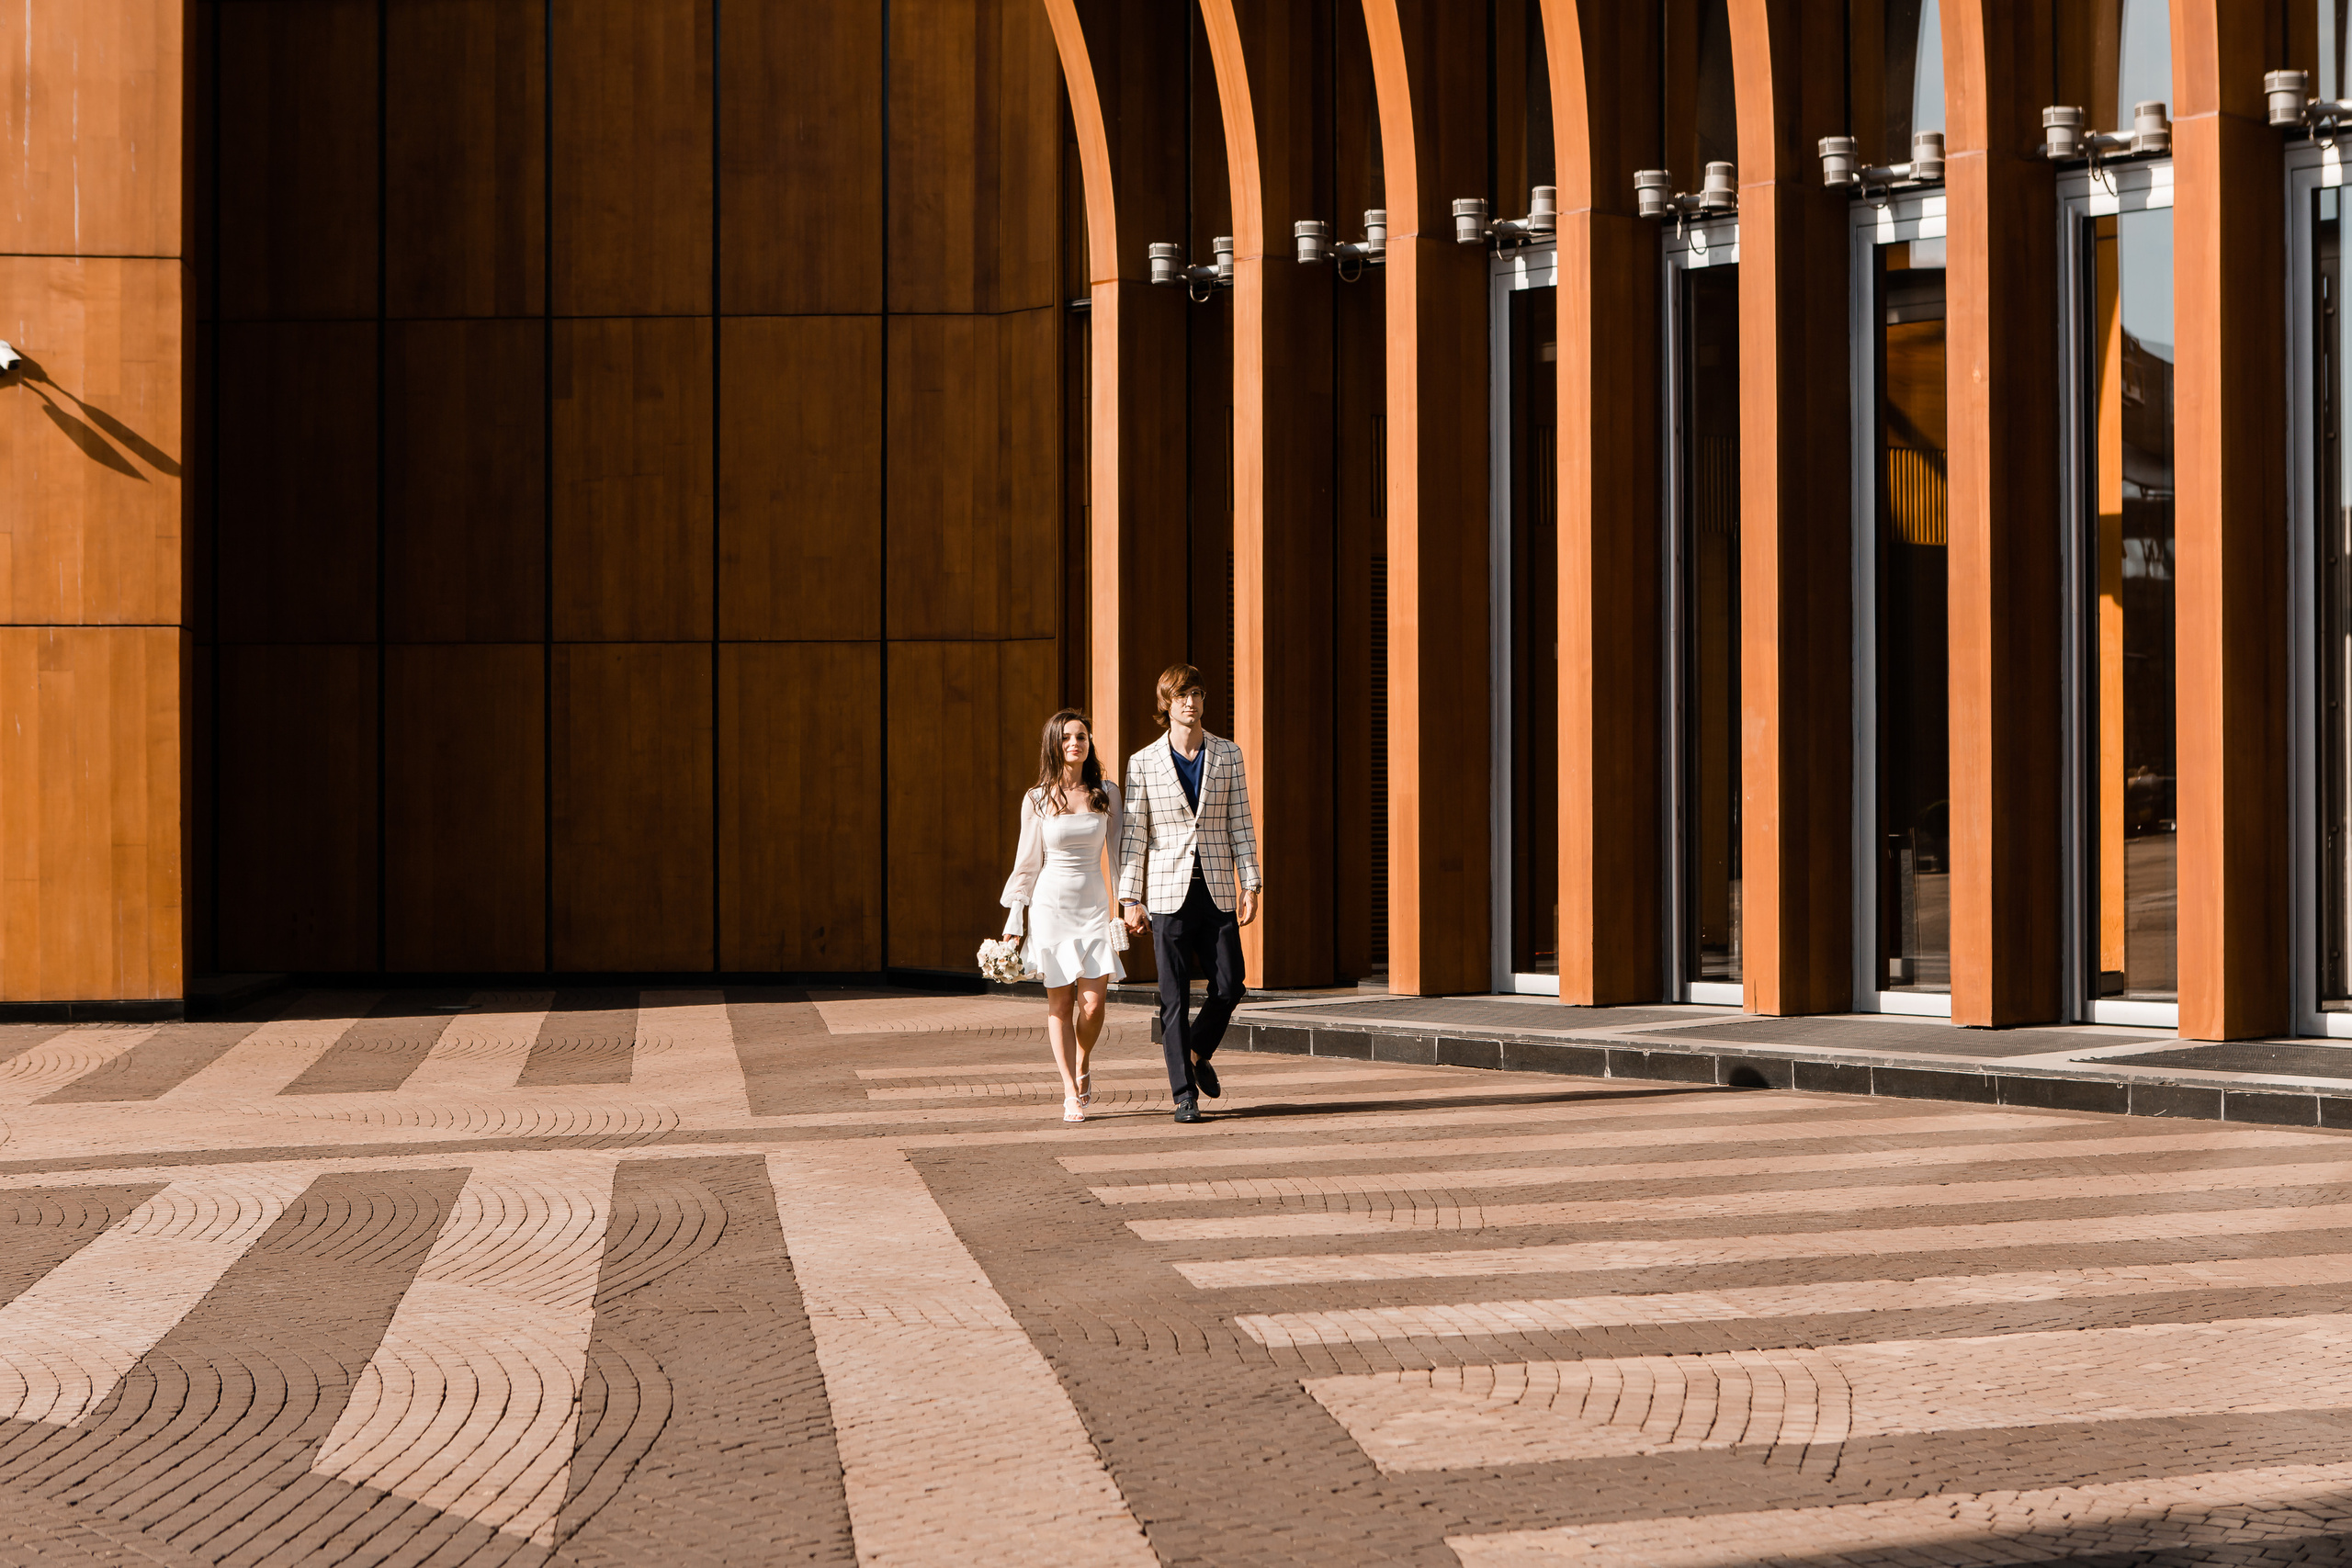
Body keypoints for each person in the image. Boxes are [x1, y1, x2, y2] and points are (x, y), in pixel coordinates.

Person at [1117, 664, 1261, 1124]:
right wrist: (1129, 899)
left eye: (1196, 693)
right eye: (1181, 695)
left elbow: (1241, 821)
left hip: (1216, 887)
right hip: (1166, 893)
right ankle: (1184, 1095)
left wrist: (1251, 882)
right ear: (1166, 703)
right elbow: (1135, 835)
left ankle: (1197, 1049)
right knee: (1174, 997)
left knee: (1230, 984)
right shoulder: (1143, 762)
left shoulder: (1228, 754)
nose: (1190, 702)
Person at [1001, 710, 1125, 1123]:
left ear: (1089, 743)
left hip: (1094, 906)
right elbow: (1026, 864)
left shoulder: (1106, 792)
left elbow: (1118, 855)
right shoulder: (1037, 798)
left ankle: (1083, 1060)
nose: (1075, 743)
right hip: (1050, 908)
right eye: (1067, 737)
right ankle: (1070, 1090)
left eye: (1082, 736)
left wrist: (1128, 904)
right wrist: (1014, 923)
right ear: (1054, 745)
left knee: (1093, 1005)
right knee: (1061, 1002)